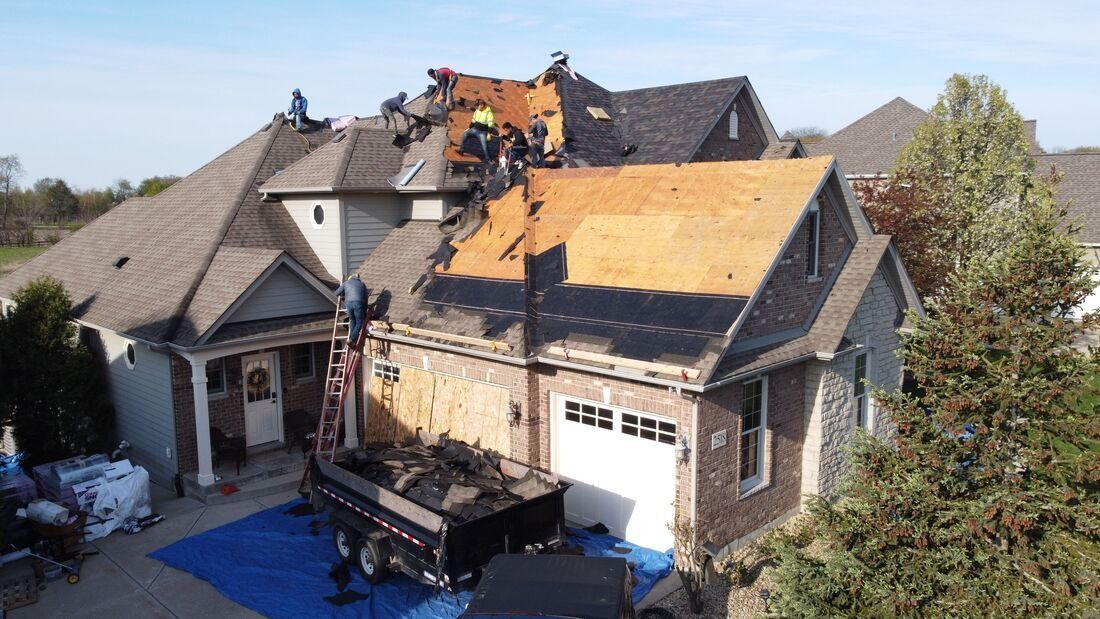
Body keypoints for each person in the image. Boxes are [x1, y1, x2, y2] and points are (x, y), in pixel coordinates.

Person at [334, 274, 368, 346]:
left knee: (352, 320)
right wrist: (365, 310)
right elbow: (366, 299)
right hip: (358, 303)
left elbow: (336, 293)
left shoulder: (346, 283)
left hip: (348, 304)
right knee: (359, 321)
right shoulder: (362, 284)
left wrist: (343, 299)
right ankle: (352, 339)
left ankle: (351, 340)